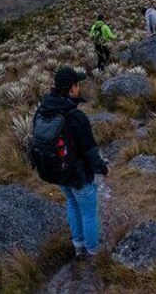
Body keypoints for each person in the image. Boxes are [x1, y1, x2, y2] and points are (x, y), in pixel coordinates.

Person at [35, 67, 109, 258]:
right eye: (77, 84)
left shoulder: (43, 110)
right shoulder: (76, 116)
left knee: (72, 204)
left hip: (59, 172)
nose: (79, 88)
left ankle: (78, 246)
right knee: (89, 213)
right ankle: (93, 252)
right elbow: (90, 150)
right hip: (79, 175)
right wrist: (102, 168)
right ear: (71, 88)